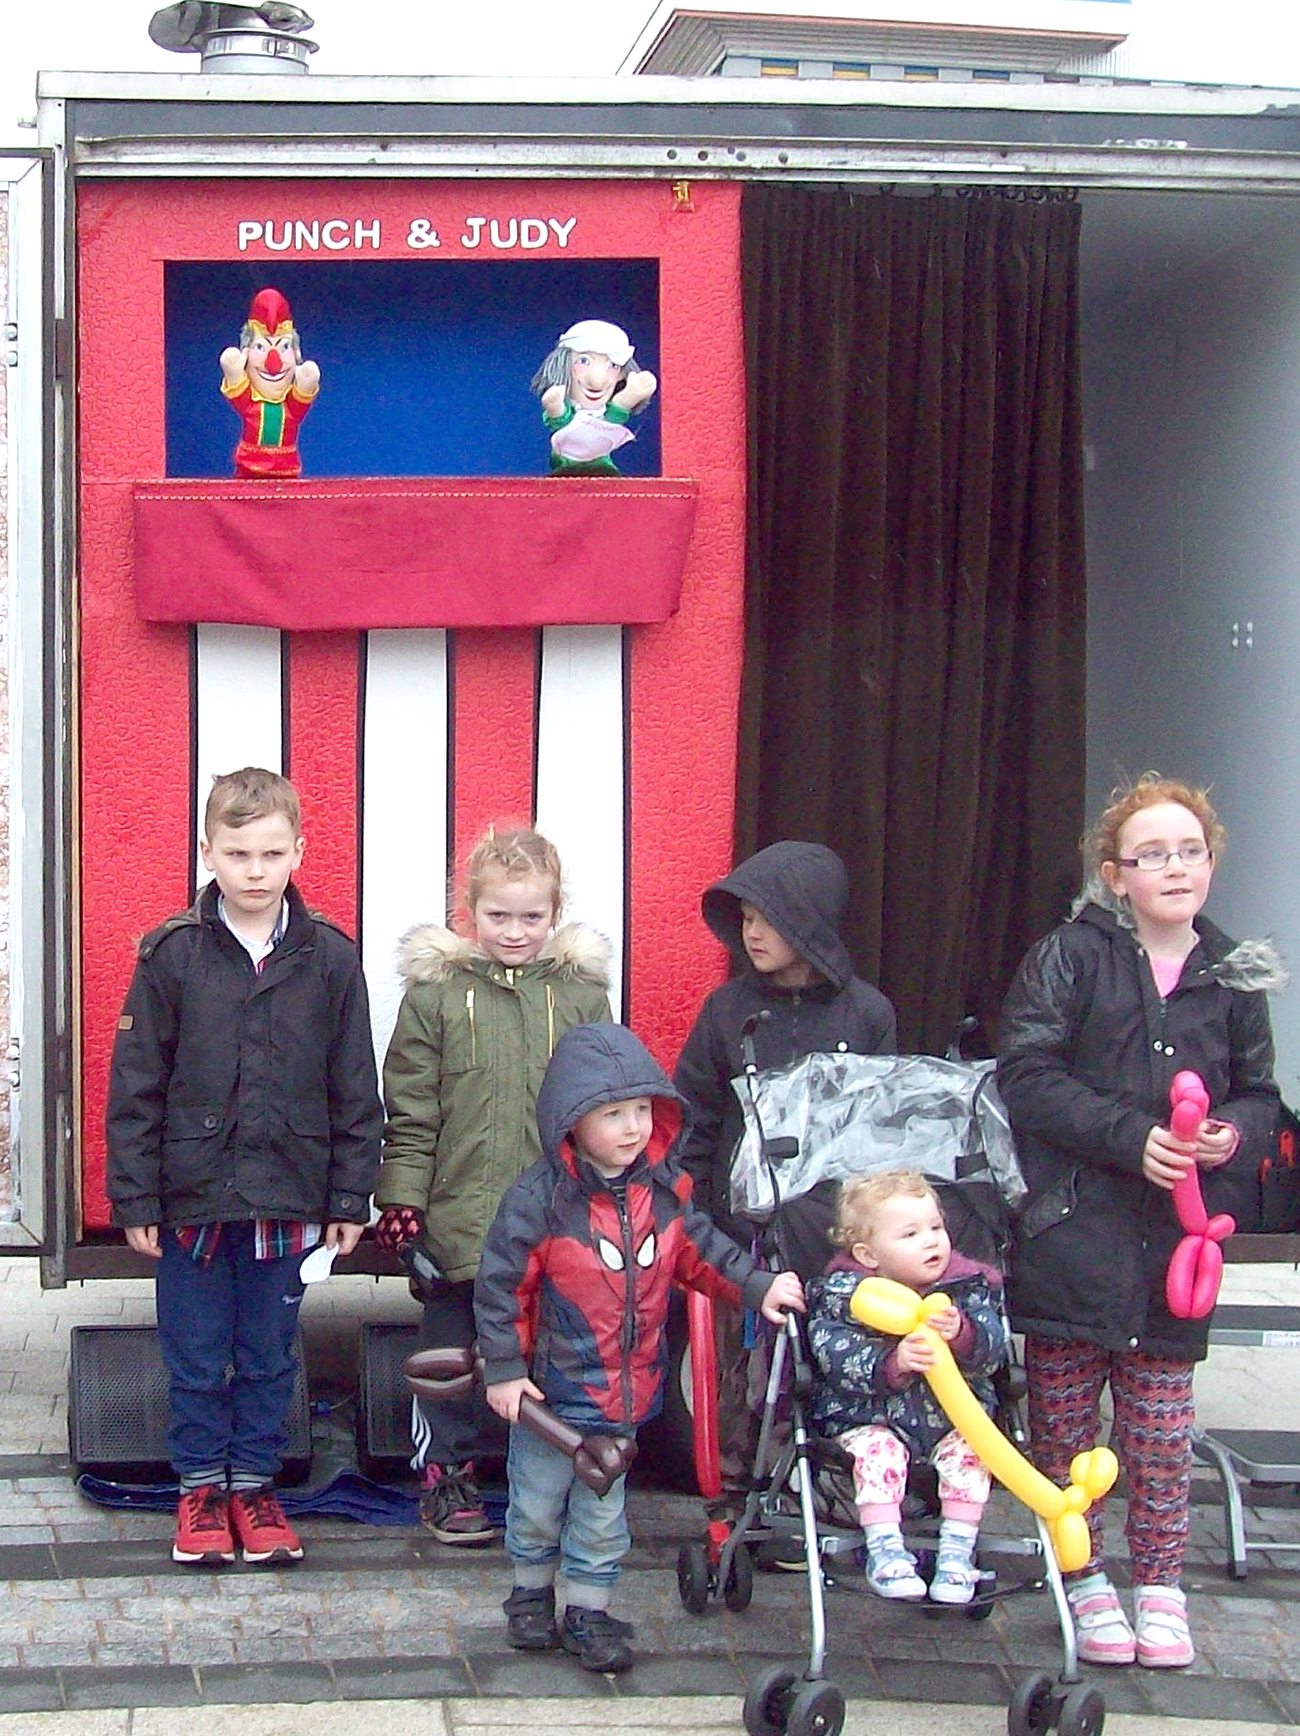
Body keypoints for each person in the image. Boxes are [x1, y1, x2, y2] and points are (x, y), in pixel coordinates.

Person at [997, 775, 1283, 1669]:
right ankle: (1081, 1582)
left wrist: (1235, 1134)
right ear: (1116, 875)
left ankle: (1161, 1586)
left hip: (1174, 1252)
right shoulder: (1069, 958)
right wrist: (1133, 1138)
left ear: (1211, 864)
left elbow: (1263, 1095)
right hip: (1071, 1233)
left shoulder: (1234, 975)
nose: (1175, 867)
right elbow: (1027, 1076)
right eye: (1152, 853)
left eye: (1190, 851)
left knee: (1161, 1437)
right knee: (1066, 1436)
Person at [105, 767, 381, 1569]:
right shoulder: (172, 956)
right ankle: (199, 1488)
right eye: (237, 853)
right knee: (195, 1352)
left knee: (268, 1352)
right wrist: (135, 1194)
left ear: (300, 850)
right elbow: (136, 1085)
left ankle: (256, 1488)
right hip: (193, 1198)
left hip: (289, 1196)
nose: (255, 871)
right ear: (207, 853)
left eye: (270, 853)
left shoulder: (330, 959)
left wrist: (349, 1194)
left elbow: (353, 1084)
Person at [474, 1021, 805, 1672]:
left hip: (622, 1403)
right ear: (572, 1120)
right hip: (551, 1400)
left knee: (601, 1519)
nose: (630, 1128)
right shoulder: (539, 1203)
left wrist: (757, 1285)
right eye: (612, 1114)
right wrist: (507, 1368)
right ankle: (531, 1599)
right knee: (537, 1508)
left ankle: (589, 1614)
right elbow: (500, 1285)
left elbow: (706, 1254)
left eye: (640, 1111)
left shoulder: (664, 1195)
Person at [372, 825, 611, 1545]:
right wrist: (403, 1200)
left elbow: (603, 1103)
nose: (514, 932)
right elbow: (411, 1107)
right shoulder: (439, 996)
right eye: (498, 916)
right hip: (459, 1216)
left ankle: (537, 1471)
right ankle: (445, 1474)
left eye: (531, 916)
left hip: (553, 1218)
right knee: (451, 1357)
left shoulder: (579, 995)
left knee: (546, 1353)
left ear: (555, 912)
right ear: (469, 910)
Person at [673, 840, 897, 1511]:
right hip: (741, 1237)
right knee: (741, 1383)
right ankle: (733, 1508)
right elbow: (695, 1121)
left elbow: (880, 1134)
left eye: (767, 918)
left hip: (838, 1240)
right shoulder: (725, 1011)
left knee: (831, 1372)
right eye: (743, 918)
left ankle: (819, 1497)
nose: (751, 931)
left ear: (809, 920)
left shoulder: (867, 1014)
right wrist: (687, 1213)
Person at [808, 1170, 1005, 1604]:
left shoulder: (967, 1289)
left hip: (953, 1419)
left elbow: (995, 1353)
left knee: (974, 1452)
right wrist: (890, 1363)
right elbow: (833, 1356)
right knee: (879, 1454)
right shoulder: (847, 1297)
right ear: (868, 1254)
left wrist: (964, 1335)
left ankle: (957, 1554)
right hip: (869, 1418)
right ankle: (885, 1550)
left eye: (936, 1228)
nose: (932, 1241)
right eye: (911, 1234)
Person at [530, 318, 657, 476]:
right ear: (564, 365)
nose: (597, 381)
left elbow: (613, 418)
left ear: (621, 374)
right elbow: (561, 423)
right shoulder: (570, 409)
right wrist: (555, 408)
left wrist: (625, 401)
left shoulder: (603, 413)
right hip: (566, 468)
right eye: (583, 361)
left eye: (613, 366)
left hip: (603, 470)